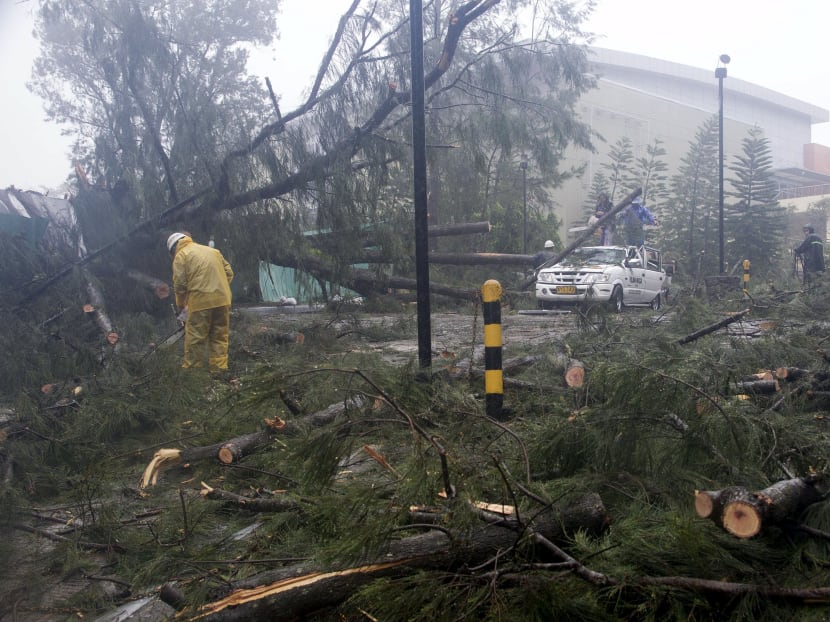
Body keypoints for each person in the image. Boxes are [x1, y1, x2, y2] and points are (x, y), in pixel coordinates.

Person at [167, 232, 234, 371]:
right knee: (219, 336)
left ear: (173, 249)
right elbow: (229, 273)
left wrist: (181, 305)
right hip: (223, 300)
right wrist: (218, 288)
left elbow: (180, 285)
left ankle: (193, 374)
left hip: (200, 302)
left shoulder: (181, 256)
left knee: (195, 339)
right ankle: (219, 371)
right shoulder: (213, 251)